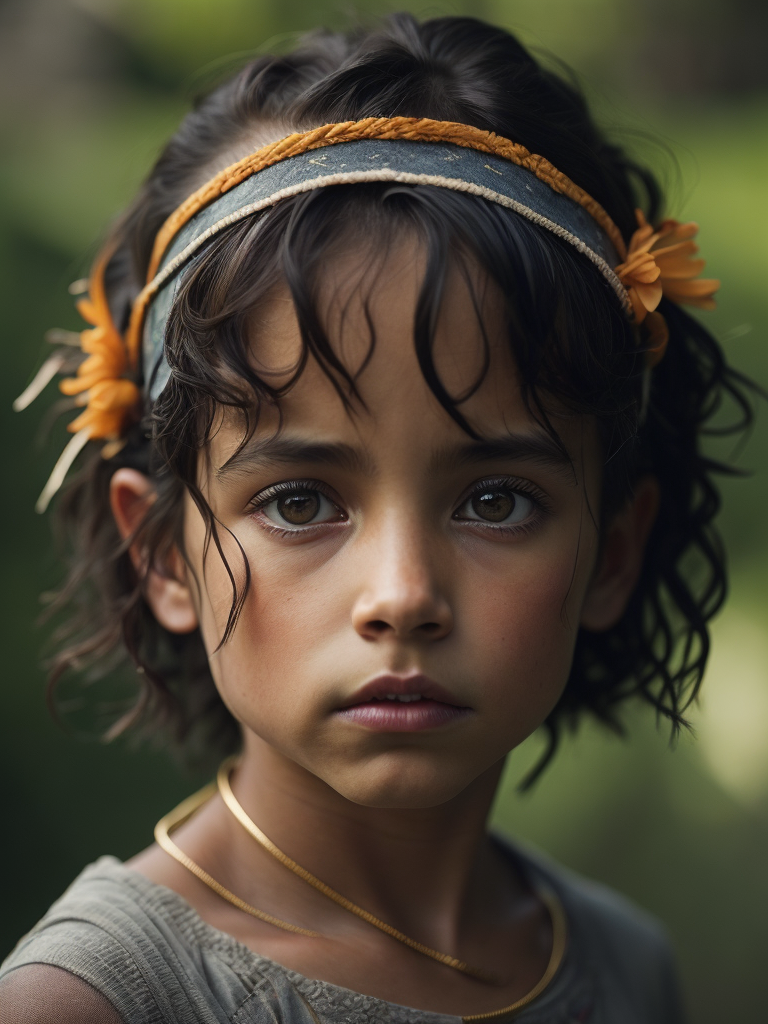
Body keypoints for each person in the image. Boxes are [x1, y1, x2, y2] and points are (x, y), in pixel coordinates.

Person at [0, 12, 754, 1023]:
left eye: (496, 500)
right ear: (164, 553)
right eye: (299, 501)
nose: (402, 593)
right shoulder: (90, 1002)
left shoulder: (623, 966)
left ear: (610, 552)